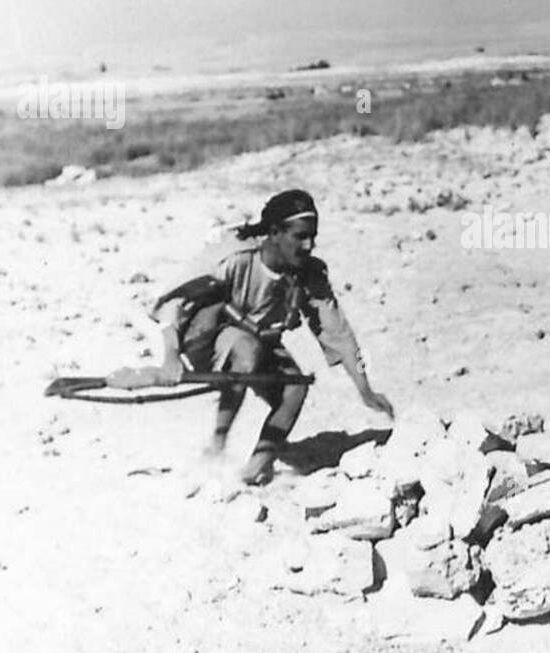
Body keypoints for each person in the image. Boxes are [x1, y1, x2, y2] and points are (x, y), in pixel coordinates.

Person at [150, 189, 393, 486]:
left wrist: (364, 388)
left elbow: (337, 332)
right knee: (245, 350)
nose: (308, 245)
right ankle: (216, 446)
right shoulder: (235, 257)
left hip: (258, 341)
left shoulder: (308, 273)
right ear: (275, 233)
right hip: (205, 337)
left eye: (313, 237)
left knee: (294, 388)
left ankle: (257, 466)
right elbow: (173, 302)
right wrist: (171, 357)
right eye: (300, 236)